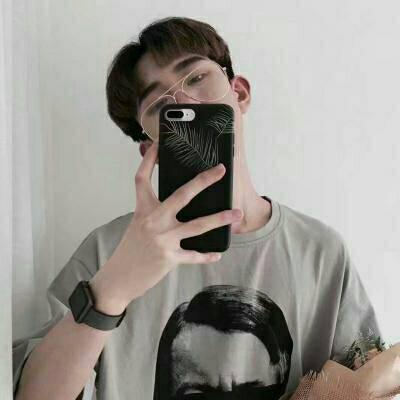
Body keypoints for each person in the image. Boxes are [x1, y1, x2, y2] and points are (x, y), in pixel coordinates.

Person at [12, 16, 383, 400]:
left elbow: (372, 384)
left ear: (239, 93)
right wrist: (113, 287)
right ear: (150, 147)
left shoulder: (320, 252)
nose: (186, 102)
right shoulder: (107, 252)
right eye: (161, 104)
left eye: (196, 78)